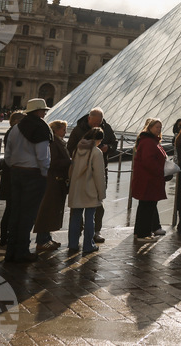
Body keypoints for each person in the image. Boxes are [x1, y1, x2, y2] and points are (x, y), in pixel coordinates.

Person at [3, 98, 52, 264]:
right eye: (43, 110)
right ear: (38, 112)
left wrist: (15, 167)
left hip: (15, 172)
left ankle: (11, 250)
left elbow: (7, 154)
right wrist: (45, 173)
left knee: (15, 212)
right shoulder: (41, 127)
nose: (45, 113)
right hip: (33, 174)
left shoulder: (15, 128)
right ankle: (22, 250)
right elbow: (43, 156)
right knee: (28, 214)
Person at [67, 108, 118, 243]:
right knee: (82, 208)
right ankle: (80, 233)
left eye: (99, 122)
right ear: (89, 119)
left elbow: (114, 143)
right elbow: (70, 149)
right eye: (95, 122)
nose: (97, 125)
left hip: (96, 169)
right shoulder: (78, 130)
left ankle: (96, 231)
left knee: (96, 207)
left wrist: (108, 148)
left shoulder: (106, 128)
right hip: (82, 174)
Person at [34, 120, 72, 252]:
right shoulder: (54, 142)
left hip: (57, 180)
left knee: (51, 211)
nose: (65, 132)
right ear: (56, 130)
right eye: (63, 129)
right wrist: (69, 162)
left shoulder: (57, 141)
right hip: (53, 180)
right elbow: (54, 161)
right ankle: (41, 240)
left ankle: (47, 238)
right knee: (47, 210)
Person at [68, 128, 106, 254]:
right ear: (98, 140)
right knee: (90, 218)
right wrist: (102, 193)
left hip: (76, 188)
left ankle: (72, 243)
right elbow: (99, 175)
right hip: (90, 189)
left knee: (75, 217)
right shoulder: (96, 152)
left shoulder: (77, 150)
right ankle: (88, 244)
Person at [132, 118, 168, 240]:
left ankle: (140, 232)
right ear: (150, 127)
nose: (159, 129)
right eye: (156, 127)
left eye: (160, 127)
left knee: (145, 206)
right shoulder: (149, 142)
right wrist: (162, 171)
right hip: (149, 180)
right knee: (147, 207)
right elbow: (149, 162)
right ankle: (143, 234)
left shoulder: (149, 140)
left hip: (148, 179)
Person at [0, 111, 26, 249]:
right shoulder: (14, 133)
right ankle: (5, 238)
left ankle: (5, 237)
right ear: (16, 121)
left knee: (11, 208)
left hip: (11, 174)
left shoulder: (11, 132)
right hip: (12, 175)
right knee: (11, 209)